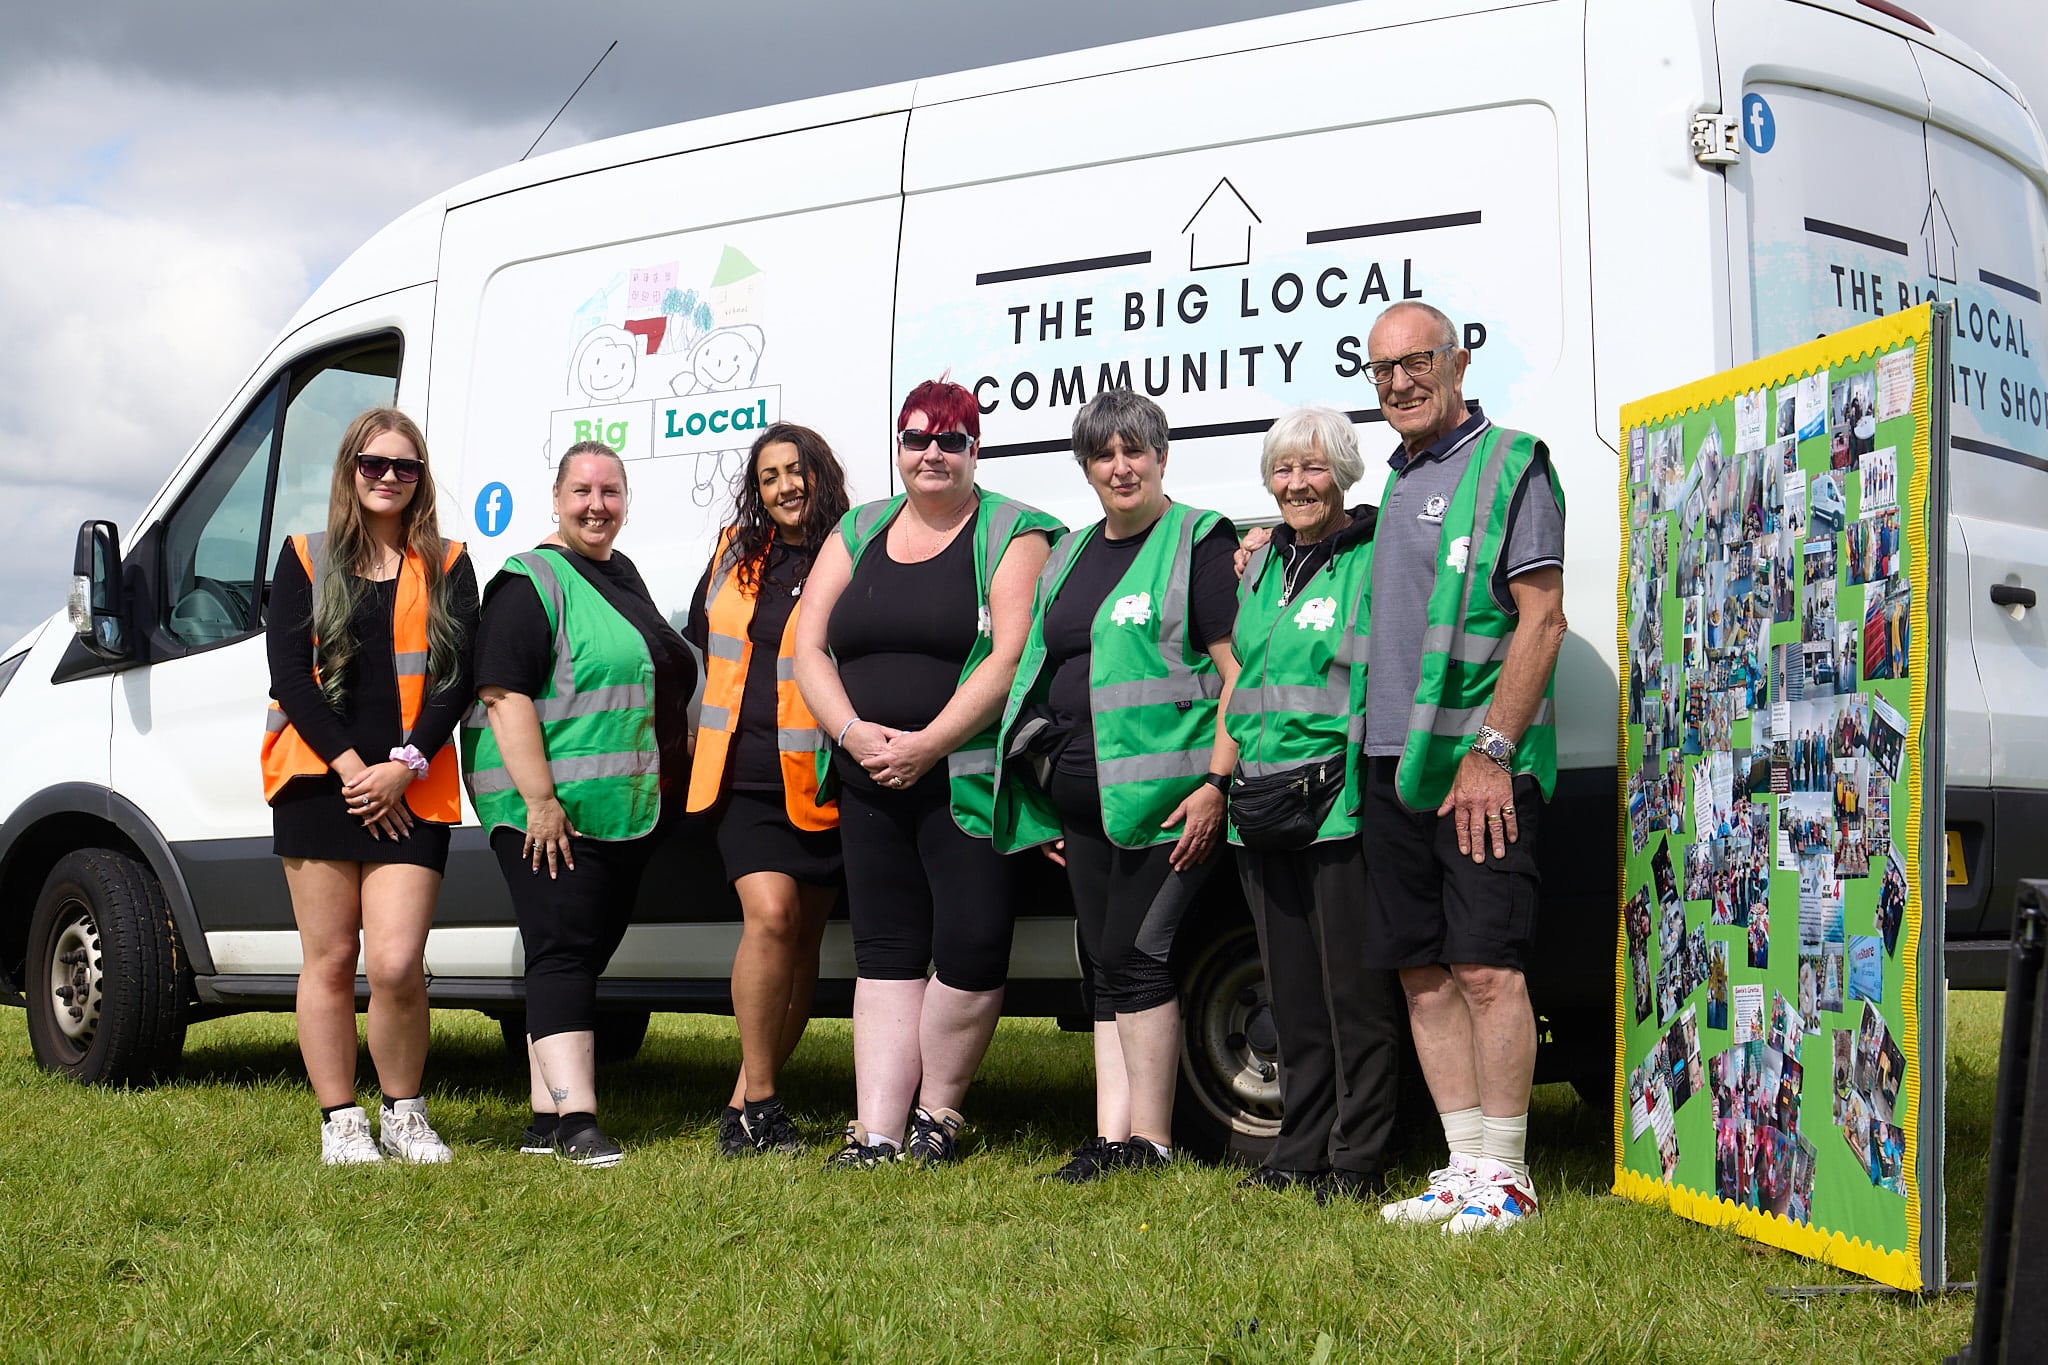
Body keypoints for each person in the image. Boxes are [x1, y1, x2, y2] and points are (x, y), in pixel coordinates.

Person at [794, 380, 1060, 1167]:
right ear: (899, 447)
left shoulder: (1013, 531)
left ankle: (936, 1115)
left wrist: (927, 744)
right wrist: (849, 732)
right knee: (884, 951)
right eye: (917, 439)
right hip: (864, 772)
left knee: (973, 947)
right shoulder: (859, 527)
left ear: (977, 450)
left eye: (951, 440)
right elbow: (808, 645)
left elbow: (1012, 655)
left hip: (965, 774)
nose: (932, 453)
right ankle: (875, 1131)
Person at [1354, 301, 1567, 1233]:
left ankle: (1510, 1175)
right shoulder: (1399, 481)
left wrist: (1493, 751)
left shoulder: (1510, 462)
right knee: (1423, 974)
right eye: (1383, 369)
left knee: (1487, 969)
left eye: (1417, 360)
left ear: (1459, 360)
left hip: (1474, 770)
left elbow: (1542, 617)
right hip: (1389, 766)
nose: (1400, 381)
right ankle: (1463, 1167)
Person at [992, 388, 1239, 1182]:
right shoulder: (1066, 553)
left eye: (1136, 450)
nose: (1122, 466)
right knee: (1102, 963)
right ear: (1087, 467)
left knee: (1139, 957)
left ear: (1162, 457)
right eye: (1105, 454)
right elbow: (1045, 672)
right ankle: (1110, 1136)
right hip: (1081, 798)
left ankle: (1152, 1141)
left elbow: (1238, 674)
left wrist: (1214, 784)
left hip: (1168, 801)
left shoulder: (1197, 539)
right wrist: (1044, 794)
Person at [464, 442, 697, 1168]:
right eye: (582, 491)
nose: (597, 504)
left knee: (575, 953)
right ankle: (576, 1121)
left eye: (611, 491)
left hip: (618, 808)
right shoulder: (529, 580)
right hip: (548, 810)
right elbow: (502, 693)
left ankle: (542, 1119)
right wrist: (540, 800)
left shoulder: (617, 575)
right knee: (564, 949)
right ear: (556, 499)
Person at [262, 406, 477, 1165]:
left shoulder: (450, 562)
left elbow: (456, 679)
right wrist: (354, 768)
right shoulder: (302, 555)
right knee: (327, 960)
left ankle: (404, 1112)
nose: (389, 477)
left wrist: (403, 765)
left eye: (405, 467)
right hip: (320, 787)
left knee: (392, 962)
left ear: (420, 481)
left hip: (410, 788)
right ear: (350, 470)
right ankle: (341, 1121)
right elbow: (290, 675)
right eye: (374, 463)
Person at [1223, 406, 1400, 1201]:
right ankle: (1298, 1150)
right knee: (1291, 994)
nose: (1297, 483)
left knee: (1351, 995)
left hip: (1338, 805)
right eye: (1284, 469)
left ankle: (1357, 1159)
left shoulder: (1372, 552)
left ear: (1343, 473)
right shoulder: (1258, 562)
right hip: (1260, 804)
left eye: (1313, 466)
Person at [685, 424, 851, 1157]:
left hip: (819, 775)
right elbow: (704, 633)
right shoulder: (733, 552)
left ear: (819, 473)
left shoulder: (854, 548)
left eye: (796, 471)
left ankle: (742, 1107)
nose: (785, 486)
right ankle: (762, 1095)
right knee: (772, 916)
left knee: (805, 939)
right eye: (769, 476)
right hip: (743, 771)